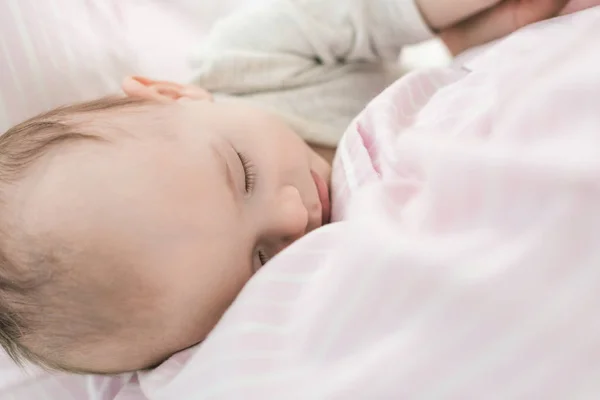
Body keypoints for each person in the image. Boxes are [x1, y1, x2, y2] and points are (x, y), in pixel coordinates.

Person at [0, 0, 569, 375]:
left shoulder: (248, 66)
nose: (293, 216)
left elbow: (369, 8)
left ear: (171, 94)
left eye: (245, 174)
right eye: (258, 259)